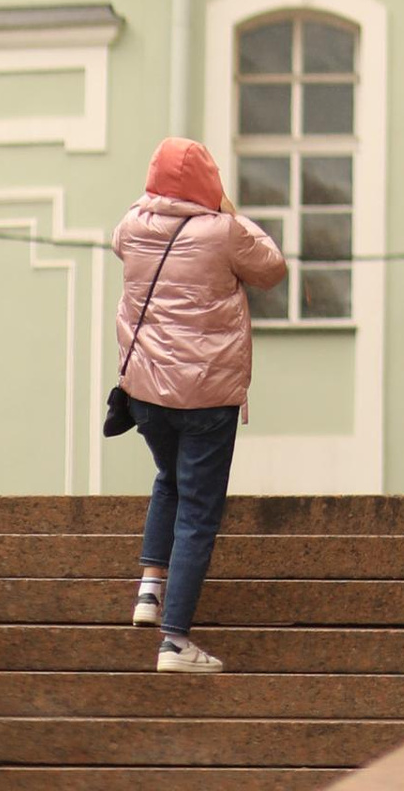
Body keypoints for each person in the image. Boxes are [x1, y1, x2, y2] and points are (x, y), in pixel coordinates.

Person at [110, 135, 288, 676]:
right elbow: (271, 267)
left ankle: (149, 589)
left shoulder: (131, 225)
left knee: (169, 478)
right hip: (207, 398)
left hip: (145, 393)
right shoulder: (224, 233)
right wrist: (230, 209)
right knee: (198, 513)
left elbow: (126, 237)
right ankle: (174, 641)